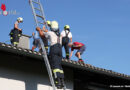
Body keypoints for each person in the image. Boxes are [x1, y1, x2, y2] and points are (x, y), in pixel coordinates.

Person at [36, 21, 65, 89]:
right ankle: (62, 82)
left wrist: (39, 30)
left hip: (54, 48)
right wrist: (44, 29)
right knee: (59, 66)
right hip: (60, 50)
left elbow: (42, 36)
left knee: (54, 65)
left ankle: (57, 82)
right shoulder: (59, 35)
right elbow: (48, 32)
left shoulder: (50, 33)